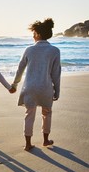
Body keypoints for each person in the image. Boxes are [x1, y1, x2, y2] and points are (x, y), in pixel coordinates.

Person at [12, 18, 61, 151]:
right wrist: (57, 90)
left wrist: (15, 84)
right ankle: (45, 140)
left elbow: (20, 69)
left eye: (33, 33)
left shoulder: (29, 50)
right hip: (45, 88)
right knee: (47, 113)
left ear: (38, 34)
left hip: (30, 87)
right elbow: (56, 74)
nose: (33, 36)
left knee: (29, 114)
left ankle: (28, 144)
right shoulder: (55, 51)